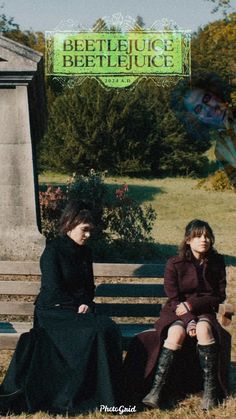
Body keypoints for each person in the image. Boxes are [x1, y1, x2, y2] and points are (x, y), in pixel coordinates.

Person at [0, 201, 123, 415]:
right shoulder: (53, 251)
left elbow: (88, 286)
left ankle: (107, 396)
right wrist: (76, 306)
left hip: (75, 310)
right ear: (69, 225)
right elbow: (53, 288)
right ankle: (84, 393)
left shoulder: (86, 252)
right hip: (52, 312)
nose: (87, 235)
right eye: (84, 230)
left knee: (108, 328)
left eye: (90, 231)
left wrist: (85, 302)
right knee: (94, 331)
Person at [123, 219, 230, 410]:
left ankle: (210, 392)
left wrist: (191, 304)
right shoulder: (175, 263)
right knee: (175, 334)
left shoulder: (217, 261)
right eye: (198, 236)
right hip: (176, 312)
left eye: (207, 236)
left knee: (205, 329)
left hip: (204, 311)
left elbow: (218, 296)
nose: (203, 240)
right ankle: (156, 391)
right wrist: (188, 319)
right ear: (188, 240)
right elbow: (173, 299)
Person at [171, 74, 236, 188]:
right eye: (198, 109)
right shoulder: (221, 151)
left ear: (215, 93)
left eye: (206, 98)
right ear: (198, 119)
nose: (208, 108)